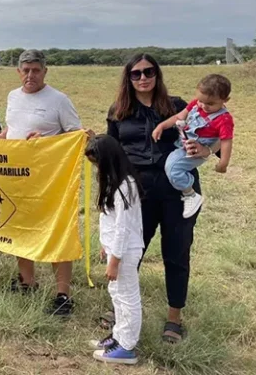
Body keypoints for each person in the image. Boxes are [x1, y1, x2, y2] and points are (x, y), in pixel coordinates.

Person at [107, 53, 218, 343]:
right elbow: (112, 153)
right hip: (136, 193)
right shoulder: (118, 111)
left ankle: (174, 318)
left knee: (177, 252)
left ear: (157, 74)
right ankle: (121, 309)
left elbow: (219, 131)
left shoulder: (180, 106)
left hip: (178, 192)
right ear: (128, 78)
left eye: (149, 72)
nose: (143, 78)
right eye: (136, 74)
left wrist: (206, 151)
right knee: (131, 253)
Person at [0, 49, 83, 315]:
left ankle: (63, 294)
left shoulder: (59, 100)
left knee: (56, 232)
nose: (30, 75)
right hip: (17, 178)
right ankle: (27, 282)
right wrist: (1, 137)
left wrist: (47, 142)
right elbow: (13, 128)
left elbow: (78, 136)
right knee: (21, 228)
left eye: (36, 70)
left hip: (51, 181)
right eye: (25, 70)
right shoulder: (12, 97)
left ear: (45, 71)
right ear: (18, 72)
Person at [85, 135, 144, 365]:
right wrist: (105, 246)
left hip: (125, 253)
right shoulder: (114, 181)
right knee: (116, 295)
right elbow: (109, 220)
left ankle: (128, 346)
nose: (97, 169)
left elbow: (123, 228)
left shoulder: (124, 187)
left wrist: (115, 260)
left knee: (128, 297)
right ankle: (119, 336)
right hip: (116, 251)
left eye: (98, 163)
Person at [152, 74, 234, 218]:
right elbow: (179, 117)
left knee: (173, 168)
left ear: (225, 100)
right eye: (201, 100)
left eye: (210, 103)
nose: (203, 106)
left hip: (198, 150)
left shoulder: (224, 119)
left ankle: (190, 194)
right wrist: (162, 126)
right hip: (184, 142)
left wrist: (223, 163)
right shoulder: (196, 104)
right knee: (170, 164)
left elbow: (226, 141)